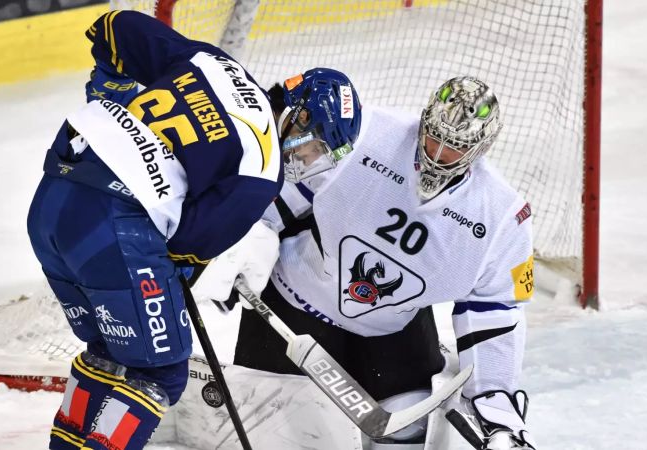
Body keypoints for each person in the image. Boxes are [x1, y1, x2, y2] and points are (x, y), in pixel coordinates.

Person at [26, 10, 360, 450]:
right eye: (315, 144)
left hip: (53, 198)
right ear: (296, 117)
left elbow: (117, 27)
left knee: (114, 350)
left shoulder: (216, 64)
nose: (308, 160)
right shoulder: (262, 170)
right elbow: (182, 248)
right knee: (161, 370)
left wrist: (110, 92)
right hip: (109, 228)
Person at [194, 76, 536, 449]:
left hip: (393, 334)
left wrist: (496, 407)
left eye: (453, 147)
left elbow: (493, 313)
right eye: (434, 137)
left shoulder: (503, 218)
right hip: (291, 306)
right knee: (269, 431)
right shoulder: (364, 131)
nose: (437, 154)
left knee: (406, 435)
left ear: (481, 147)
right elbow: (287, 182)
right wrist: (249, 232)